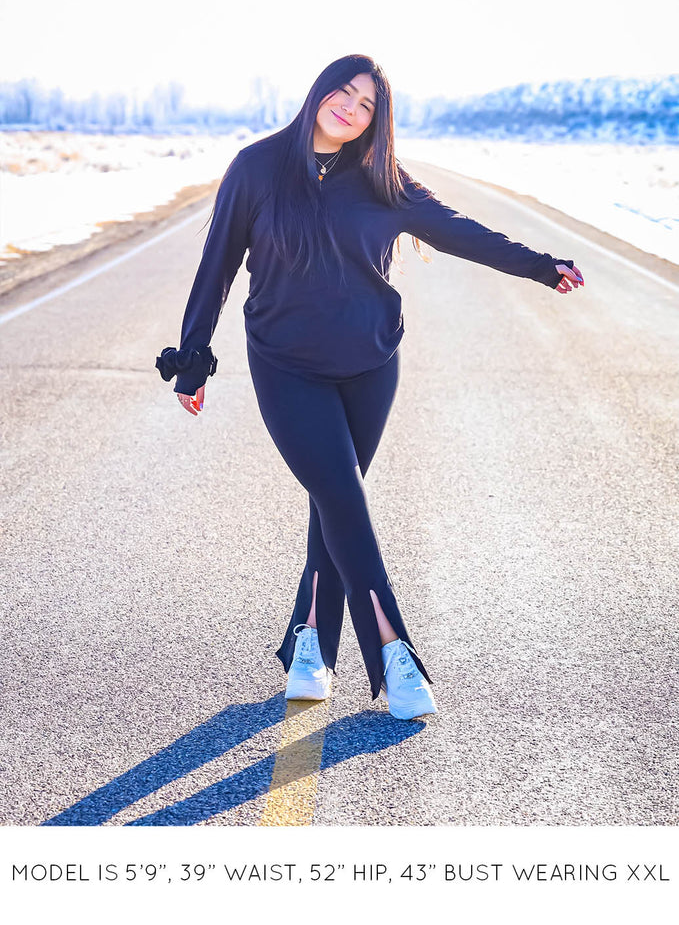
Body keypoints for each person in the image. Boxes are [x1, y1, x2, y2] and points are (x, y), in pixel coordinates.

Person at [156, 54, 584, 720]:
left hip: (370, 365)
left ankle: (309, 647)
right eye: (345, 93)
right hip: (286, 364)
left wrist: (538, 266)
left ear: (374, 123)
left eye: (366, 106)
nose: (350, 109)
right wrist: (192, 357)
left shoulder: (383, 181)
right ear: (320, 89)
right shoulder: (257, 168)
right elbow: (217, 266)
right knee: (341, 498)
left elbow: (460, 232)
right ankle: (393, 650)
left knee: (334, 504)